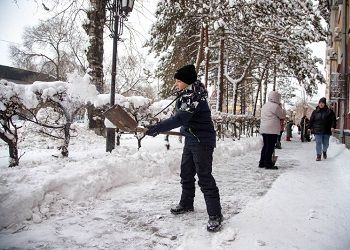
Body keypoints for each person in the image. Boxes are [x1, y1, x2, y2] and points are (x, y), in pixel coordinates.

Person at [145, 64, 222, 232]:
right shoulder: (187, 94)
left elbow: (180, 118)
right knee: (186, 173)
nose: (176, 84)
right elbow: (178, 117)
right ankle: (187, 203)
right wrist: (157, 124)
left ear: (187, 81)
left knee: (204, 177)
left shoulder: (194, 96)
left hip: (202, 141)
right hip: (191, 138)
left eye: (178, 81)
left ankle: (215, 215)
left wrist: (158, 128)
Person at [259, 91, 286, 170]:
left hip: (264, 128)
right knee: (270, 147)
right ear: (277, 98)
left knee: (265, 146)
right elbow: (282, 115)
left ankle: (262, 162)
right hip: (272, 129)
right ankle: (268, 163)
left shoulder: (265, 105)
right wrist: (282, 107)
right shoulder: (276, 106)